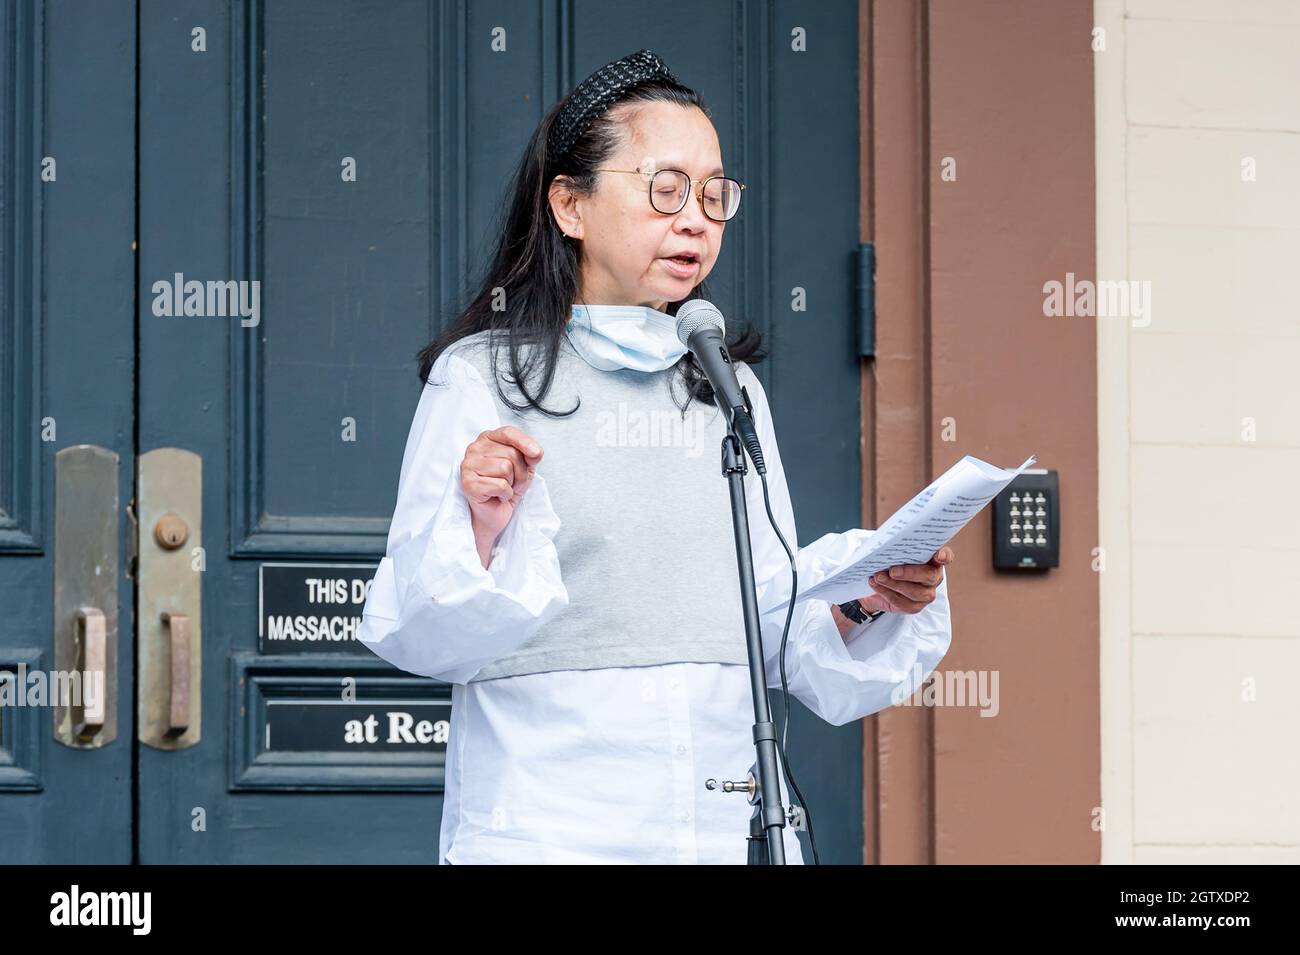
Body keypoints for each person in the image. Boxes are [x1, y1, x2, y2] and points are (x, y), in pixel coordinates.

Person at [357, 49, 953, 865]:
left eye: (714, 194)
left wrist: (877, 599)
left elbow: (772, 619)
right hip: (548, 833)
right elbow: (423, 634)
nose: (697, 219)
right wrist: (482, 525)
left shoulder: (725, 386)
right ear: (569, 203)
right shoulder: (484, 379)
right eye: (665, 188)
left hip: (709, 831)